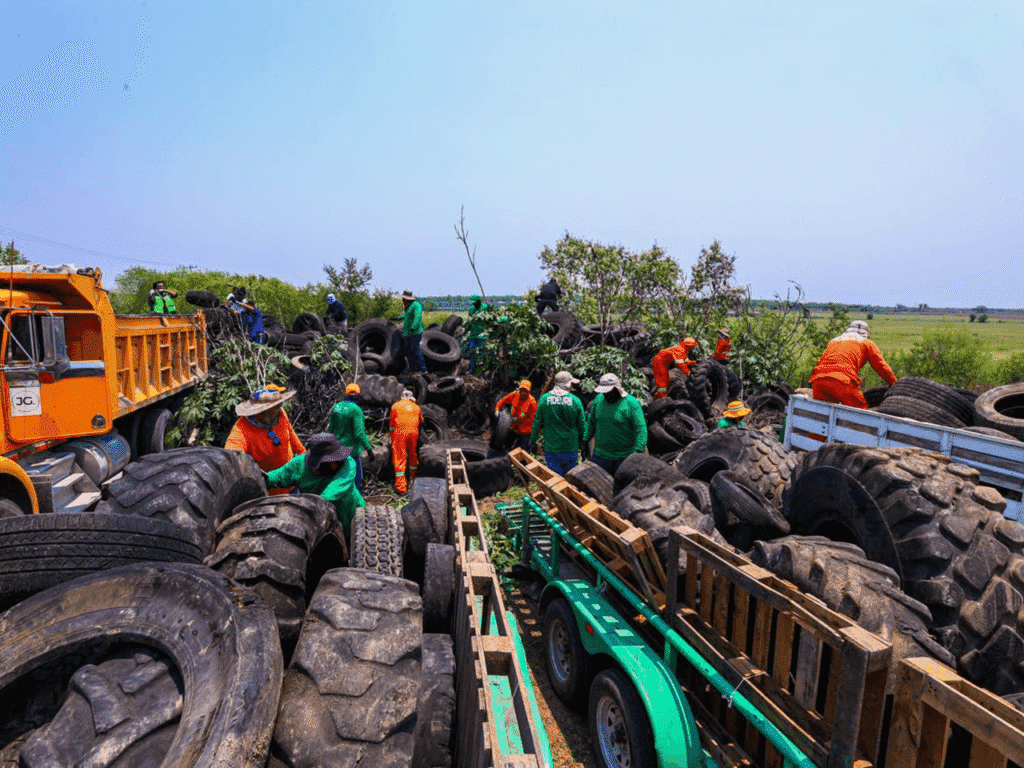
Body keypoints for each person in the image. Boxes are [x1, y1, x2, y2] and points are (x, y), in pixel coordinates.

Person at [266, 433, 365, 532]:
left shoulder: (347, 464)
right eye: (333, 461)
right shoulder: (298, 465)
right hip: (319, 518)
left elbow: (336, 488)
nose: (336, 464)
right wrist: (263, 478)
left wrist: (316, 503)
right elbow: (278, 476)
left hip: (350, 513)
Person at [225, 386, 305, 494]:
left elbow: (291, 434)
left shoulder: (280, 415)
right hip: (270, 494)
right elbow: (231, 459)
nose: (280, 409)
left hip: (293, 482)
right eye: (276, 407)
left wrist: (304, 455)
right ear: (260, 412)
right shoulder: (241, 432)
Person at [809, 320, 897, 409]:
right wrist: (894, 383)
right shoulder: (867, 343)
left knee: (825, 413)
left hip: (818, 381)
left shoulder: (833, 341)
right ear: (865, 333)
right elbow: (881, 366)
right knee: (862, 412)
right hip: (842, 382)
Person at [583, 373, 647, 477]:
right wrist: (585, 440)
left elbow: (641, 428)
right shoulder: (599, 400)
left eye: (609, 392)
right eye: (604, 392)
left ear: (617, 389)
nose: (606, 395)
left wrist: (638, 451)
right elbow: (591, 422)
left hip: (624, 458)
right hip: (601, 457)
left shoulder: (631, 403)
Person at [530, 370, 585, 475]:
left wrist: (532, 440)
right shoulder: (576, 401)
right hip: (570, 447)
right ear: (568, 384)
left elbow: (537, 422)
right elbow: (582, 426)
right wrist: (584, 444)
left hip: (551, 448)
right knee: (570, 479)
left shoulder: (544, 399)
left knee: (555, 480)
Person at [328, 382, 373, 491]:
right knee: (356, 479)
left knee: (341, 477)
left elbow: (331, 429)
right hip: (352, 451)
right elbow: (359, 433)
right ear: (358, 394)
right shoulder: (355, 410)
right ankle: (356, 504)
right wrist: (369, 448)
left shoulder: (337, 407)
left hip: (338, 449)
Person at [389, 389, 423, 493]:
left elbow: (391, 424)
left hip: (400, 433)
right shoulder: (417, 407)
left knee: (399, 457)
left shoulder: (395, 406)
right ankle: (413, 480)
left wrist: (392, 437)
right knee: (412, 454)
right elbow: (421, 420)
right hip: (414, 434)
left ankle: (401, 488)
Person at [495, 379, 538, 452]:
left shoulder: (532, 402)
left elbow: (532, 419)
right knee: (506, 446)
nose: (523, 393)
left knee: (523, 451)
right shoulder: (514, 395)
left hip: (525, 431)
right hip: (513, 428)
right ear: (519, 389)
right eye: (522, 390)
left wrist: (518, 420)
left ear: (529, 391)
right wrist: (497, 409)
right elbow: (503, 400)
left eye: (526, 391)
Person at [393, 290, 426, 374]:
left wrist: (413, 328)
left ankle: (422, 369)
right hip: (407, 333)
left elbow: (417, 317)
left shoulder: (416, 305)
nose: (404, 299)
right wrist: (397, 318)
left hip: (415, 332)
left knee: (415, 349)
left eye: (405, 298)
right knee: (407, 350)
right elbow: (406, 316)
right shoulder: (409, 306)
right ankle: (413, 368)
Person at [464, 294, 489, 372]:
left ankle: (482, 369)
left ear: (478, 301)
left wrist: (490, 306)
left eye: (475, 302)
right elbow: (470, 321)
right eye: (473, 303)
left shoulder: (485, 307)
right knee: (472, 352)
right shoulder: (471, 309)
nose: (473, 304)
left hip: (482, 335)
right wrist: (467, 329)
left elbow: (491, 314)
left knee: (483, 352)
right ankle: (472, 369)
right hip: (473, 334)